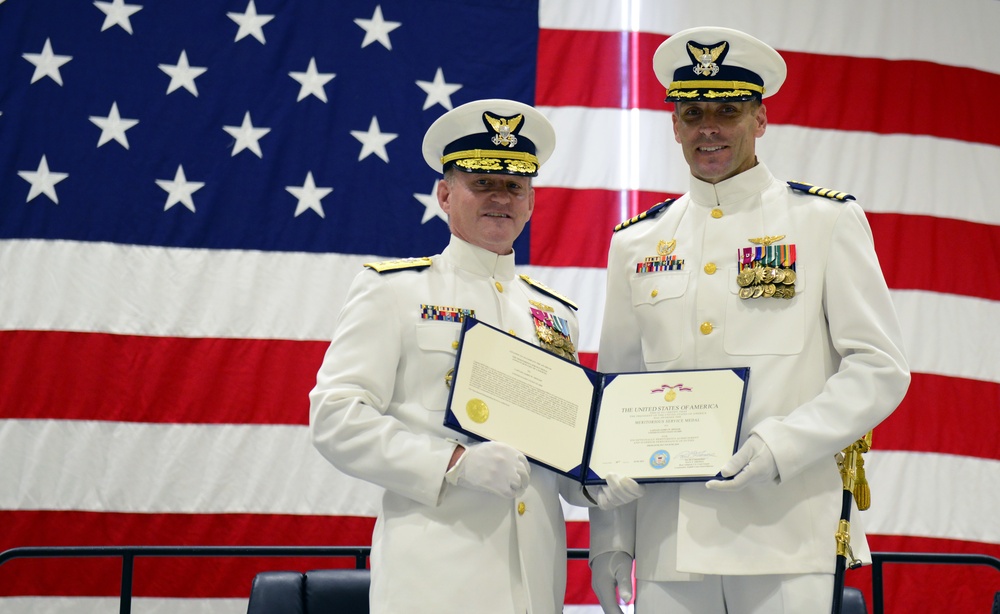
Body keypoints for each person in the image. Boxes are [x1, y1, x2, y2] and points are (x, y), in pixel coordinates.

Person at [588, 27, 911, 613]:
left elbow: (880, 368)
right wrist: (610, 540)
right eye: (692, 113)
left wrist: (783, 445)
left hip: (785, 531)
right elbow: (619, 393)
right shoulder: (636, 243)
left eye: (728, 111)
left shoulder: (823, 222)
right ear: (674, 124)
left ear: (760, 119)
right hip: (669, 540)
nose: (708, 127)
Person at [309, 98, 643, 614]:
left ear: (532, 201)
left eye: (514, 185)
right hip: (436, 576)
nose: (500, 198)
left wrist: (596, 482)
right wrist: (453, 463)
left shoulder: (554, 314)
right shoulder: (394, 292)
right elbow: (334, 417)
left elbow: (558, 444)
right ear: (445, 194)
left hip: (536, 579)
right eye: (482, 182)